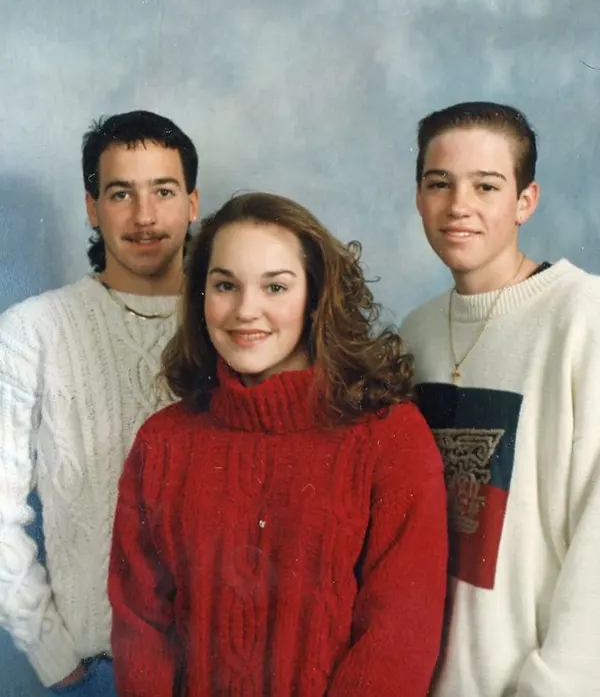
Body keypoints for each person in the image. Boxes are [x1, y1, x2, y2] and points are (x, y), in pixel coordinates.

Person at [108, 191, 448, 696]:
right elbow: (142, 628)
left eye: (275, 287)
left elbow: (397, 641)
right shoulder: (162, 443)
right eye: (225, 285)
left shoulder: (389, 437)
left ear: (314, 298)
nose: (247, 311)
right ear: (201, 296)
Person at [400, 101, 600, 697]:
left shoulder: (583, 317)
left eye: (486, 186)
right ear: (419, 197)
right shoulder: (416, 333)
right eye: (441, 184)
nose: (459, 206)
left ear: (525, 202)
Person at [0, 110, 199, 694]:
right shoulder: (30, 332)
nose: (144, 216)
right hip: (98, 671)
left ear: (191, 202)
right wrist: (50, 652)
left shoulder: (239, 321)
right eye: (120, 193)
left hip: (225, 665)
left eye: (163, 191)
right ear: (92, 208)